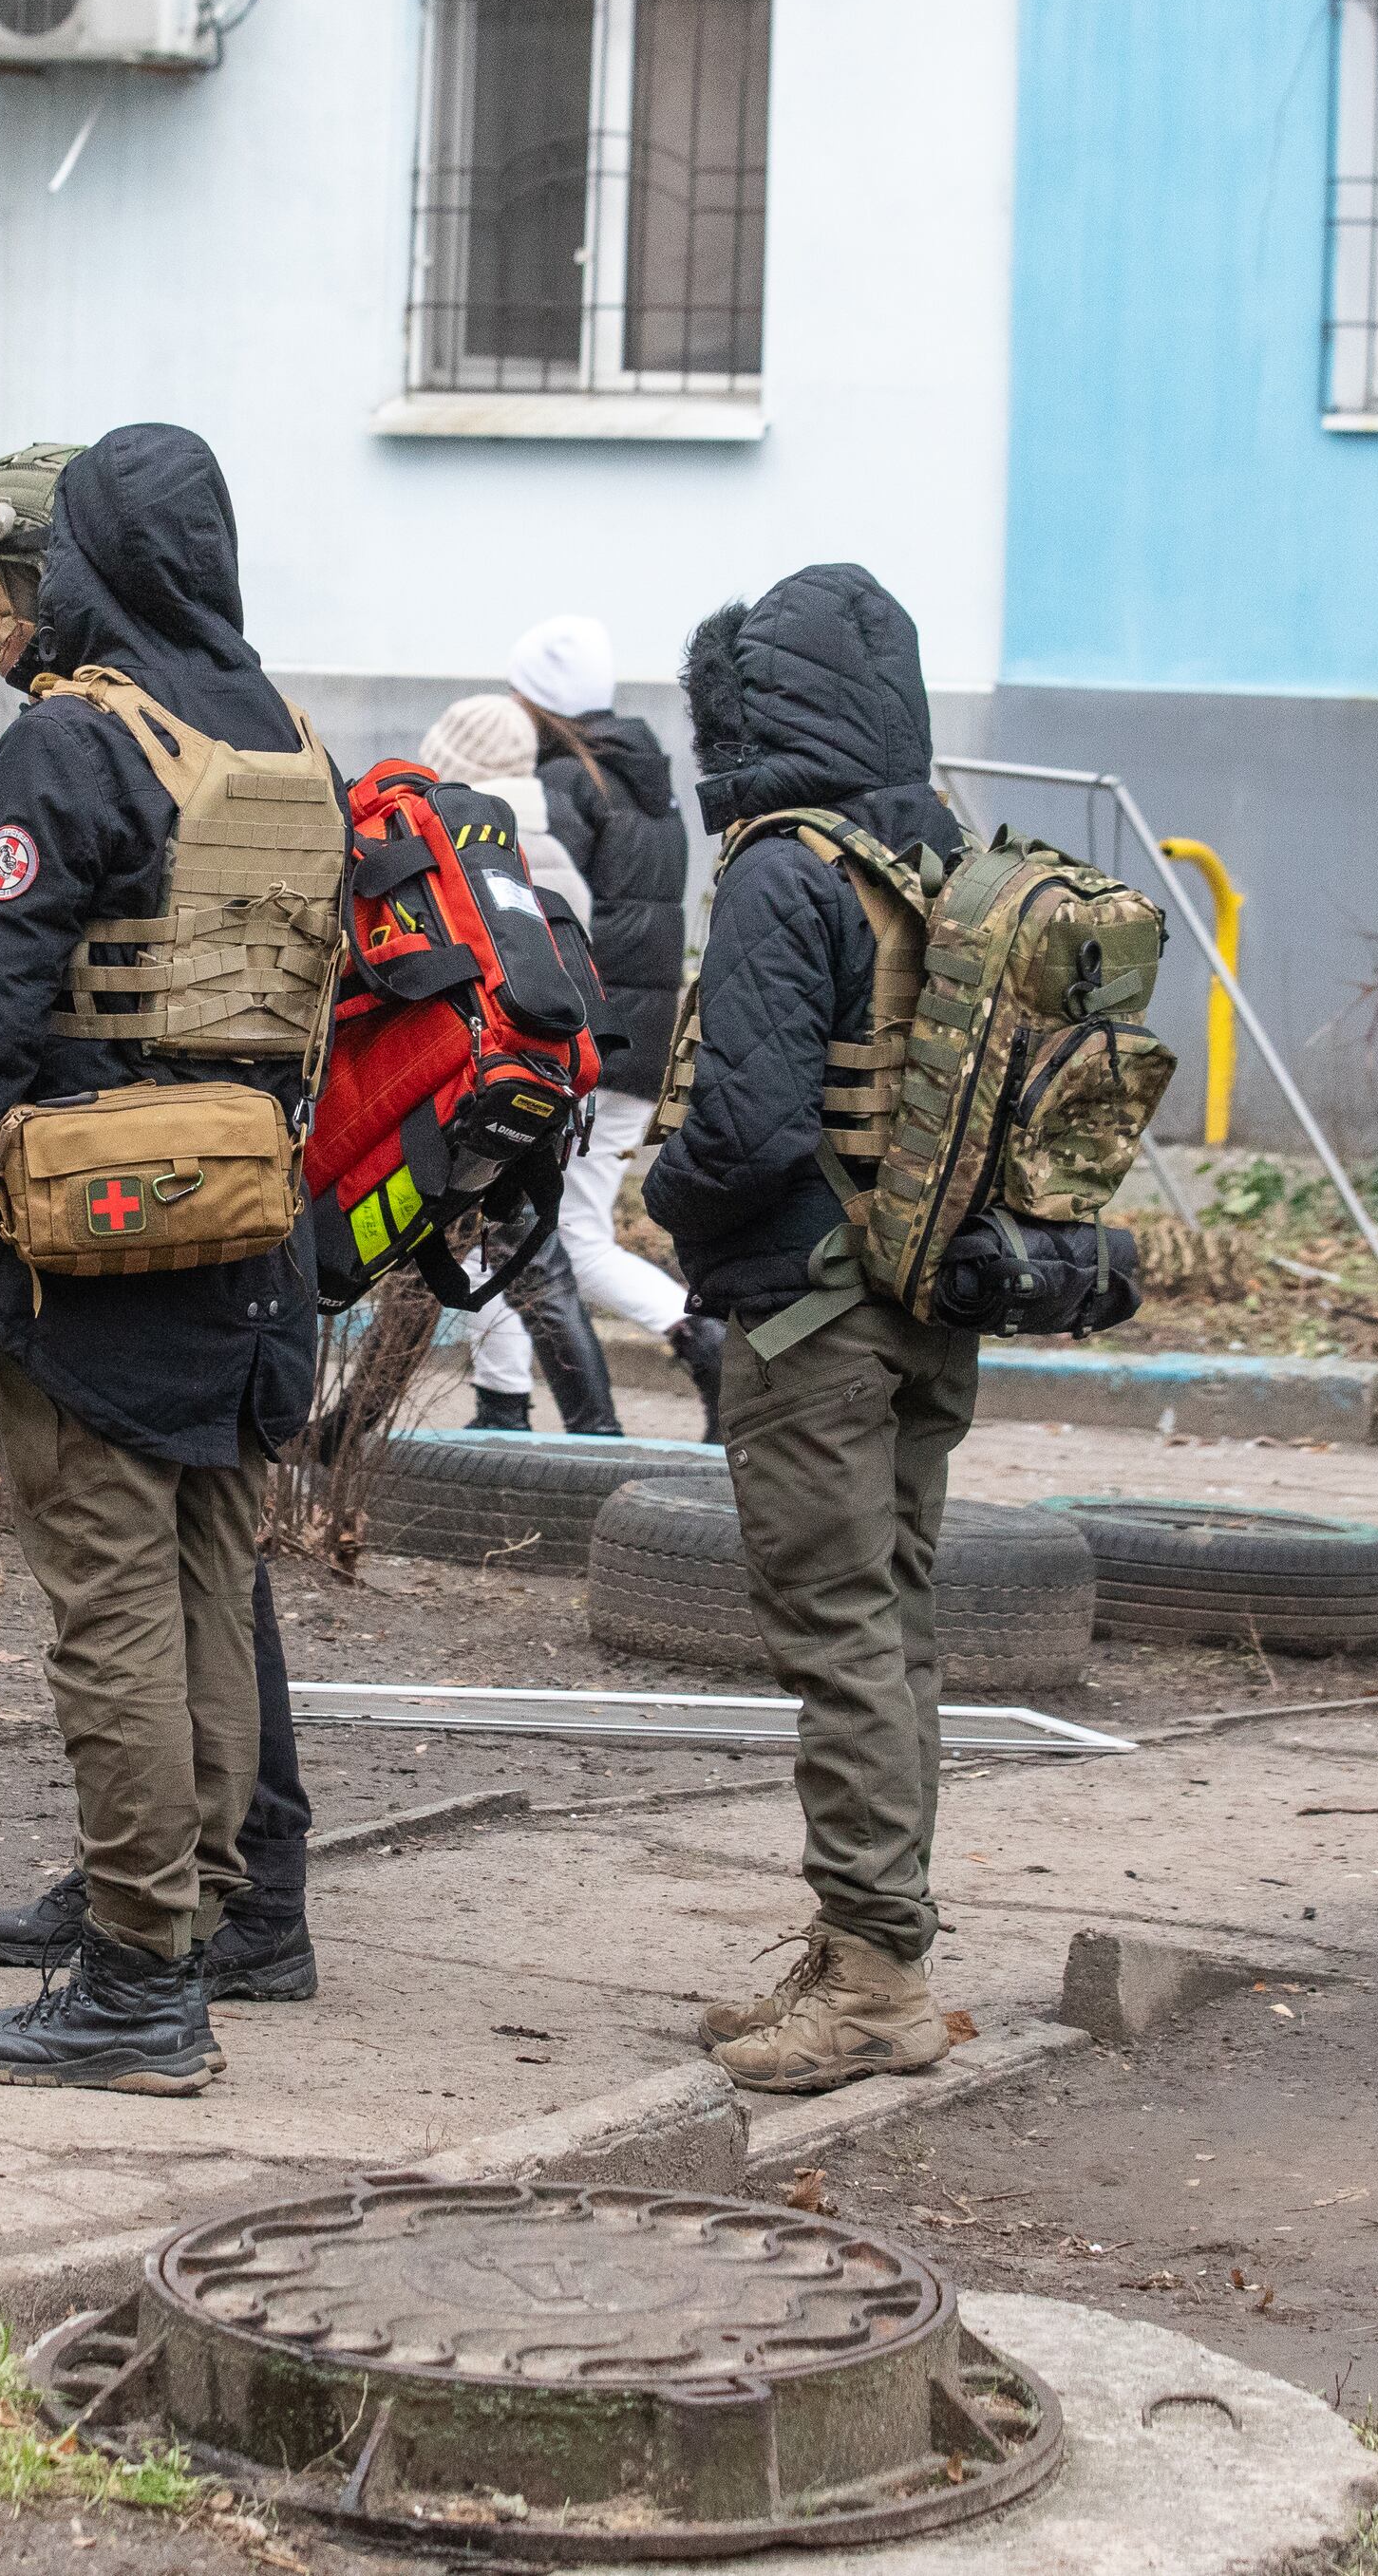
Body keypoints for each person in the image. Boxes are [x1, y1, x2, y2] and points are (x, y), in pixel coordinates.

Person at [0, 425, 343, 2095]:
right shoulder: (287, 737)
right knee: (207, 1587)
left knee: (112, 1614)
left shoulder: (75, 743)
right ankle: (199, 1920)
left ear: (84, 563)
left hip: (90, 1250)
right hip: (252, 1243)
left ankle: (141, 1979)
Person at [644, 564, 975, 2096]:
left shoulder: (787, 868)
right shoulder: (938, 852)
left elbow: (749, 1125)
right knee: (893, 1631)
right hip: (927, 1299)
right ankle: (866, 1943)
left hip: (811, 1314)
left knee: (839, 1638)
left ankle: (877, 1981)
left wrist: (671, 1200)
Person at [510, 615, 727, 1438]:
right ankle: (500, 1400)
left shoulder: (566, 786)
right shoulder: (649, 785)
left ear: (535, 701)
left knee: (562, 1234)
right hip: (640, 1040)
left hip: (585, 1049)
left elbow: (546, 922)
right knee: (518, 1230)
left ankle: (702, 1337)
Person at [418, 691, 627, 1438]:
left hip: (475, 1087)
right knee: (506, 1255)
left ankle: (594, 1429)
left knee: (521, 1263)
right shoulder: (551, 848)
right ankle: (515, 1406)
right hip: (537, 1089)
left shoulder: (470, 854)